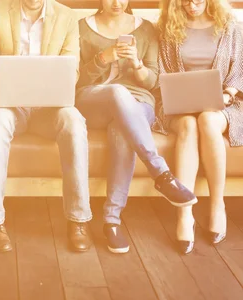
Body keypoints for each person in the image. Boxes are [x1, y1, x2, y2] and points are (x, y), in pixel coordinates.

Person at [76, 0, 198, 254]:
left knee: (122, 128)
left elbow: (152, 81)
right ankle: (161, 175)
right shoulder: (81, 28)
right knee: (117, 92)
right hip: (95, 100)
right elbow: (75, 80)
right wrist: (102, 58)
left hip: (138, 104)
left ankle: (111, 220)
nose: (117, 3)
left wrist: (137, 65)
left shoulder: (146, 30)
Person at [0, 0, 92, 252]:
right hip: (10, 104)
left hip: (48, 106)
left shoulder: (67, 16)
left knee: (73, 121)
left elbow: (71, 68)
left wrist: (57, 86)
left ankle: (78, 220)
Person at [155, 0, 243, 254]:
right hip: (178, 105)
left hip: (224, 104)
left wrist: (227, 94)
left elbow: (241, 70)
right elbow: (164, 72)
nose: (191, 5)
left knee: (206, 118)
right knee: (189, 125)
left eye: (197, 1)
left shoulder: (230, 26)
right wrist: (179, 97)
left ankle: (217, 205)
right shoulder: (168, 28)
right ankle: (184, 214)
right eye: (184, 1)